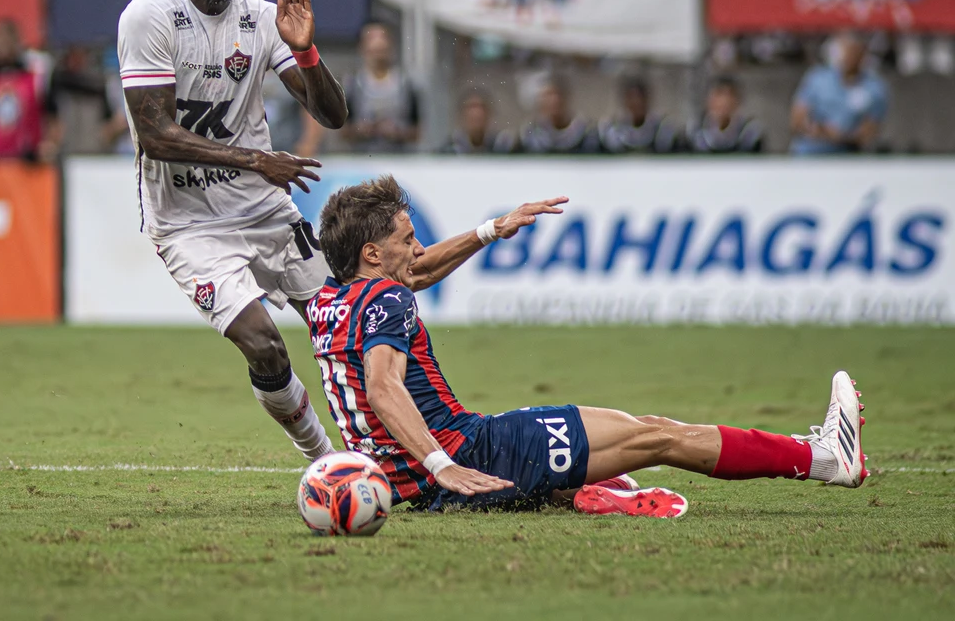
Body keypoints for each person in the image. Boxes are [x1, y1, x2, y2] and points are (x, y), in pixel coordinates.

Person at [308, 175, 868, 514]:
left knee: (598, 452)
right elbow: (383, 387)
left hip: (404, 484)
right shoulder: (390, 298)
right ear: (373, 255)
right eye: (409, 239)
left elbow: (421, 271)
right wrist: (442, 465)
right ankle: (824, 459)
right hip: (473, 454)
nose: (419, 248)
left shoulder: (328, 302)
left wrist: (492, 229)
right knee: (657, 435)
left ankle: (583, 490)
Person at [116, 0, 348, 461]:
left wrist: (307, 52)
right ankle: (326, 461)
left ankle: (391, 451)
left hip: (264, 211)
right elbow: (156, 135)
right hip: (188, 225)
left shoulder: (263, 19)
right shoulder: (150, 15)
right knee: (264, 345)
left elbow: (334, 116)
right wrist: (256, 160)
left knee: (346, 328)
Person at [0, 18, 62, 162]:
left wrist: (51, 146)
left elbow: (54, 119)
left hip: (27, 163)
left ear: (17, 42)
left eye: (5, 39)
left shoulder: (36, 76)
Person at [790, 33, 888, 155]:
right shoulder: (817, 78)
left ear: (863, 54)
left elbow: (869, 132)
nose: (849, 57)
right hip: (810, 152)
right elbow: (797, 120)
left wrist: (840, 135)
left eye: (855, 51)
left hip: (848, 155)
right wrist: (820, 130)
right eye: (846, 51)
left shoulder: (874, 88)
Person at [343, 23, 420, 153]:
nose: (378, 44)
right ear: (362, 47)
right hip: (363, 156)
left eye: (382, 39)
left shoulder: (405, 84)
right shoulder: (353, 85)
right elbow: (343, 130)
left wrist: (397, 132)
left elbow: (417, 131)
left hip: (400, 156)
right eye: (372, 39)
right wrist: (362, 130)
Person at [510, 77, 599, 154]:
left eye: (557, 95)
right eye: (548, 95)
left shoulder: (587, 134)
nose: (554, 101)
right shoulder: (529, 136)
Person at [598, 76, 680, 154]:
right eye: (631, 98)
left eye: (639, 98)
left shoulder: (662, 127)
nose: (636, 102)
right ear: (625, 101)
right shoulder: (612, 127)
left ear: (646, 100)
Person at [685, 76, 764, 154]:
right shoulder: (695, 132)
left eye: (730, 95)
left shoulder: (749, 134)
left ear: (737, 101)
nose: (724, 101)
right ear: (708, 100)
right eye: (719, 94)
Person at [441, 94, 513, 154]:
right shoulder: (450, 151)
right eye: (472, 119)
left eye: (479, 119)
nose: (476, 114)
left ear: (488, 117)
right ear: (462, 117)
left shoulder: (501, 148)